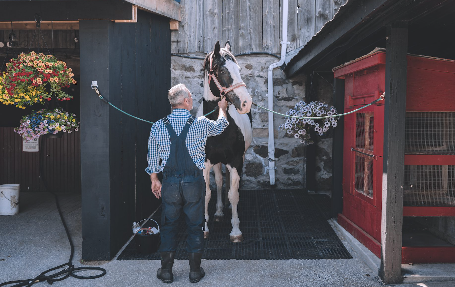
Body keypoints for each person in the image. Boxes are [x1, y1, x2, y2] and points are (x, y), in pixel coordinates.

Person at [145, 83, 229, 283]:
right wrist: (222, 109)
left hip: (170, 182)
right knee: (195, 224)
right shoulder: (200, 123)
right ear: (186, 101)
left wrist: (155, 180)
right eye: (190, 97)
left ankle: (166, 271)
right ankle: (194, 272)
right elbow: (221, 126)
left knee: (169, 225)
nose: (192, 99)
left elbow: (152, 158)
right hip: (193, 181)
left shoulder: (158, 126)